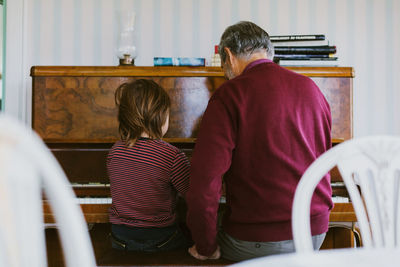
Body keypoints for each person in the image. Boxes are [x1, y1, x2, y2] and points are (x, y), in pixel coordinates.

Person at [186, 21, 333, 261]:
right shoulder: (311, 88)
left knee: (189, 234)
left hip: (258, 240)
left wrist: (205, 247)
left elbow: (204, 186)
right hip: (314, 232)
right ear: (268, 53)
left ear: (228, 56)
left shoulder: (229, 94)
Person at [107, 79, 191, 252]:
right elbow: (193, 194)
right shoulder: (171, 155)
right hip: (160, 239)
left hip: (120, 238)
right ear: (160, 116)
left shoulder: (114, 151)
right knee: (193, 240)